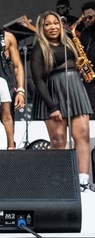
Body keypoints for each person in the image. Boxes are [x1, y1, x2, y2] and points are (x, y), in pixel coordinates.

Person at [30, 10, 93, 192]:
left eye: (55, 23)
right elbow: (38, 79)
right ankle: (58, 181)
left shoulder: (70, 42)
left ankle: (83, 181)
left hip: (74, 88)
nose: (53, 27)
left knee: (82, 135)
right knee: (58, 139)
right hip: (53, 91)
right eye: (47, 24)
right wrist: (52, 106)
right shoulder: (39, 48)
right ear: (42, 28)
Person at [79, 1, 95, 118]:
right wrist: (84, 69)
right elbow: (83, 55)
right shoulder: (85, 32)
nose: (88, 20)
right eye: (86, 18)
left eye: (90, 17)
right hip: (90, 78)